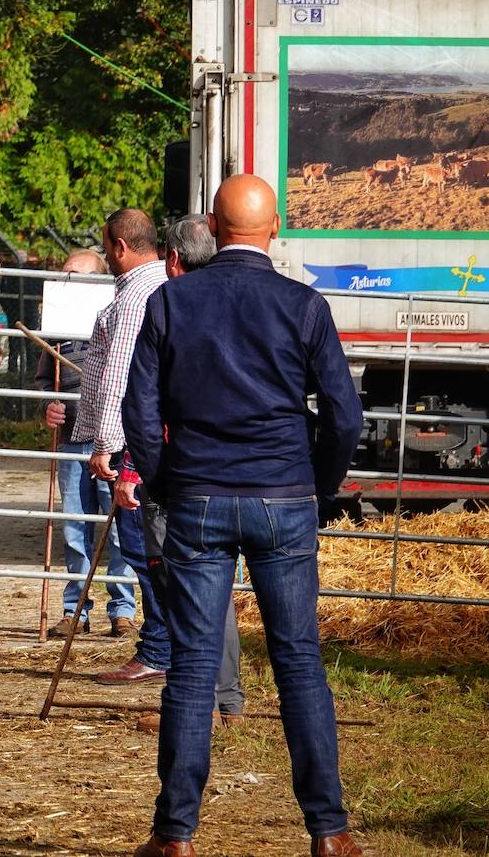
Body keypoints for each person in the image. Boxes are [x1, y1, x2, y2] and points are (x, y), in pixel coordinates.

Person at [124, 176, 364, 857]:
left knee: (194, 668)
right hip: (284, 495)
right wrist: (315, 485)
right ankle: (330, 831)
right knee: (298, 663)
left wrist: (169, 480)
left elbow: (140, 410)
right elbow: (344, 416)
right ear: (276, 227)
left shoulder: (171, 301)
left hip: (198, 493)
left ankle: (174, 835)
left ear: (212, 224)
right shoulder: (304, 305)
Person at [115, 215, 246, 732]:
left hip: (179, 471)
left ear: (172, 259)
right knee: (215, 591)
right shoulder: (240, 306)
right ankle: (226, 700)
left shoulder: (169, 309)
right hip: (234, 469)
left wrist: (136, 469)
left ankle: (201, 705)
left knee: (184, 588)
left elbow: (147, 403)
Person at [72, 209, 170, 685]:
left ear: (119, 247)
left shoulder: (135, 298)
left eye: (109, 248)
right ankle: (164, 644)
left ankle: (159, 647)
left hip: (135, 444)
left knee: (142, 545)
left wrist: (107, 444)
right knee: (148, 544)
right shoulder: (155, 286)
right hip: (148, 439)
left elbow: (121, 379)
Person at [35, 249, 137, 639]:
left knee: (117, 527)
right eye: (64, 275)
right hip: (73, 439)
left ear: (99, 281)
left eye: (76, 276)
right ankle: (75, 609)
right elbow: (44, 380)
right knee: (75, 527)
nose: (68, 283)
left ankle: (122, 609)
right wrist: (49, 404)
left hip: (112, 438)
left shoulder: (118, 322)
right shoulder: (58, 329)